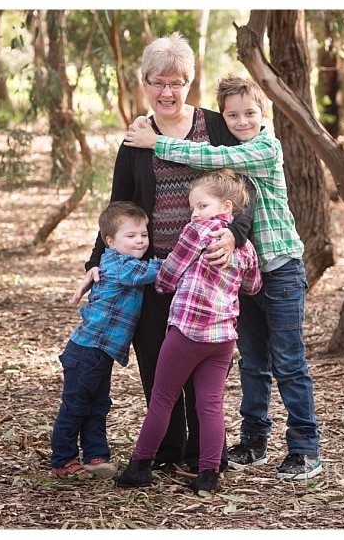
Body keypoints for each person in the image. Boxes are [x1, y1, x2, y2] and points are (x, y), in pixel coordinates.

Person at [71, 33, 256, 473]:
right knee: (156, 362)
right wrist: (97, 262)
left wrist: (236, 237)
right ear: (145, 83)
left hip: (208, 272)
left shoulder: (215, 128)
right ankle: (167, 451)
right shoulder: (137, 138)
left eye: (177, 82)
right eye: (158, 82)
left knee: (205, 372)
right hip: (155, 271)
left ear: (189, 83)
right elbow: (118, 206)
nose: (167, 92)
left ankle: (203, 456)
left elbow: (244, 193)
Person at [124, 74, 322, 480]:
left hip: (280, 270)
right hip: (246, 277)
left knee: (288, 363)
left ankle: (305, 449)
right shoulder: (239, 148)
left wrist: (155, 142)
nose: (242, 120)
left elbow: (212, 160)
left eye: (250, 112)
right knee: (252, 363)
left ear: (262, 113)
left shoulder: (265, 149)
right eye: (232, 114)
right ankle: (254, 441)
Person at [113, 168, 261, 494]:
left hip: (188, 331)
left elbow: (169, 274)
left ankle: (140, 466)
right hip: (222, 338)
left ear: (226, 207)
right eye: (193, 208)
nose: (195, 214)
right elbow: (253, 285)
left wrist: (165, 284)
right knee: (210, 404)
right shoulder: (244, 246)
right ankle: (208, 474)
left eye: (202, 206)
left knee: (162, 398)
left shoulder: (196, 232)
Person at [51, 201, 163, 478]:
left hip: (100, 353)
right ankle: (62, 461)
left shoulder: (126, 261)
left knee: (98, 404)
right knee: (76, 407)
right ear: (110, 242)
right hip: (87, 351)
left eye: (144, 235)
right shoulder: (119, 265)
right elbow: (156, 271)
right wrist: (183, 257)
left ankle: (96, 455)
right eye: (131, 236)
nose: (140, 241)